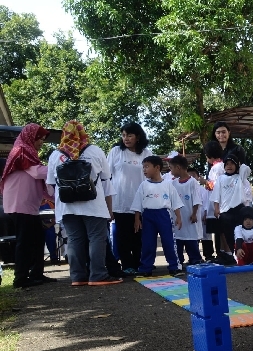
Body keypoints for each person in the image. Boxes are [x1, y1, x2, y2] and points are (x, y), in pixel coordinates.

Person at [46, 120, 122, 286]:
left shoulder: (55, 155)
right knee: (96, 238)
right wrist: (110, 209)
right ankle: (98, 275)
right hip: (94, 205)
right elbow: (106, 182)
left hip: (67, 206)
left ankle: (78, 277)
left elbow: (51, 185)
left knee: (73, 240)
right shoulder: (95, 151)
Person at [0, 123, 55, 288]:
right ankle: (20, 278)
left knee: (38, 238)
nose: (41, 143)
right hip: (20, 203)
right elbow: (37, 172)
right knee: (25, 241)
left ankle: (37, 273)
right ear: (32, 137)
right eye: (40, 139)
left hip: (27, 205)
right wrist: (57, 167)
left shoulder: (27, 151)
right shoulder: (22, 150)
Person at [107, 122, 152, 275]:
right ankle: (127, 264)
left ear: (138, 136)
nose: (126, 138)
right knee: (123, 235)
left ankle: (141, 263)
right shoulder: (116, 152)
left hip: (142, 201)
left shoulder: (146, 153)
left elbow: (152, 176)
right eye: (124, 135)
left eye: (130, 135)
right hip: (121, 201)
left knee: (140, 234)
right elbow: (107, 176)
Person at [131, 155, 183, 277]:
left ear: (157, 168)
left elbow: (175, 202)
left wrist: (178, 217)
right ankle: (145, 268)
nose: (144, 169)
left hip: (164, 215)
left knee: (169, 242)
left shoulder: (168, 184)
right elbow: (138, 203)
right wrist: (137, 219)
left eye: (147, 167)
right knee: (148, 243)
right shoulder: (143, 185)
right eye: (143, 167)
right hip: (148, 216)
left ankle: (174, 266)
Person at [210, 154, 251, 257]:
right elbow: (216, 195)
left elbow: (246, 168)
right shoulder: (221, 178)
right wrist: (216, 208)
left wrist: (239, 164)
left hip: (239, 209)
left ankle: (245, 253)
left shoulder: (240, 177)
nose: (229, 166)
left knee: (241, 233)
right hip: (225, 211)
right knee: (228, 234)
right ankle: (234, 254)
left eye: (232, 163)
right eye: (227, 164)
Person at [169, 155, 203, 266]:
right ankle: (178, 262)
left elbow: (197, 200)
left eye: (171, 168)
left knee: (191, 240)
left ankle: (195, 260)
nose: (171, 171)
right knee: (178, 240)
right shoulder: (173, 183)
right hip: (178, 219)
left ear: (178, 167)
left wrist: (194, 214)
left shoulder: (192, 182)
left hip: (189, 218)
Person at [189, 166, 213, 261]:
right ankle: (195, 257)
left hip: (202, 216)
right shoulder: (187, 188)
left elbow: (207, 202)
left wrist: (206, 213)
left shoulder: (202, 190)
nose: (191, 178)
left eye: (193, 175)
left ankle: (209, 255)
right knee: (194, 237)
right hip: (192, 217)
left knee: (206, 236)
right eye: (189, 176)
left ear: (198, 177)